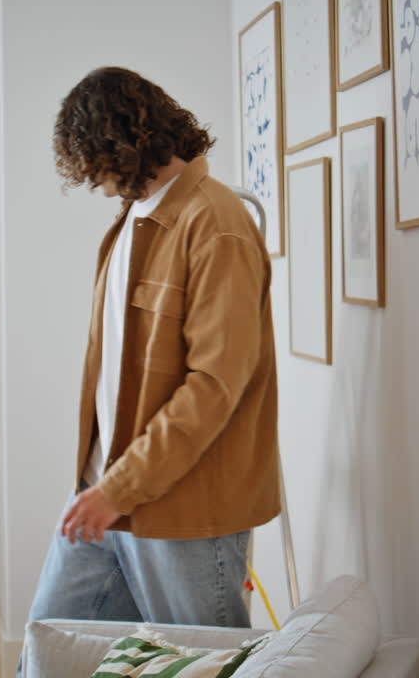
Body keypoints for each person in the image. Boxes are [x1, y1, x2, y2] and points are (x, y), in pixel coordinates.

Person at [25, 67, 281, 641]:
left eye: (98, 166)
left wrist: (121, 488)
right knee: (48, 651)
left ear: (124, 144)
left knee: (204, 662)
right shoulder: (133, 221)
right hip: (106, 496)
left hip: (183, 513)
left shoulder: (217, 225)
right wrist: (106, 488)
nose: (99, 185)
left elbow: (214, 386)